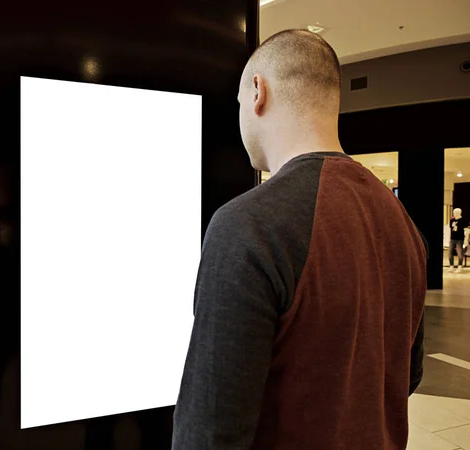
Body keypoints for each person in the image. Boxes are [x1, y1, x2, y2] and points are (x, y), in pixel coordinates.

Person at [172, 29, 426, 450]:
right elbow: (407, 375)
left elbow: (210, 427)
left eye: (238, 105)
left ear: (258, 92)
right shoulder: (403, 223)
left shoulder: (248, 225)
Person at [448, 208, 468, 273]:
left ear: (459, 213)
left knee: (459, 253)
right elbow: (451, 228)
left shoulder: (463, 220)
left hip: (459, 239)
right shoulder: (452, 220)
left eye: (456, 212)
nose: (454, 213)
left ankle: (459, 266)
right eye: (454, 212)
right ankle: (451, 266)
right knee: (450, 252)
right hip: (452, 238)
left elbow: (465, 228)